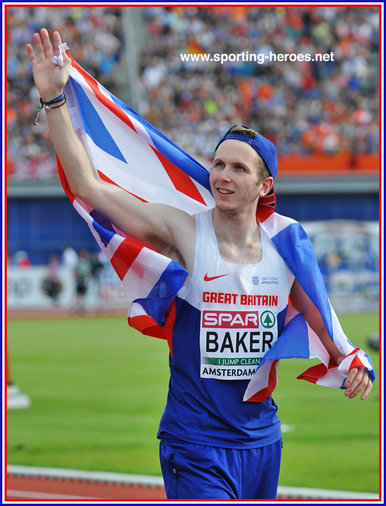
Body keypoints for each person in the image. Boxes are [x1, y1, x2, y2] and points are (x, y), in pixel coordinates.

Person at [26, 29, 373, 500]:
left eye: (239, 169)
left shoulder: (287, 243)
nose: (223, 176)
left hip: (261, 443)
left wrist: (352, 358)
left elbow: (322, 318)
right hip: (195, 444)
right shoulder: (184, 231)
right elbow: (90, 188)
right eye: (218, 164)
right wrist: (52, 99)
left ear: (265, 187)